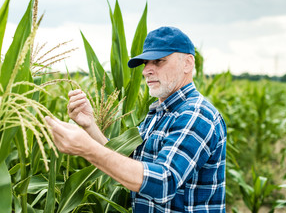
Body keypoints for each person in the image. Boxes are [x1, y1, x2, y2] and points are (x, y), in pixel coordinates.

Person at [46, 26, 227, 212]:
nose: (146, 71)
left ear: (187, 63)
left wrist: (88, 149)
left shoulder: (196, 114)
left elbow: (163, 182)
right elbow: (129, 164)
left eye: (158, 61)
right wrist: (90, 125)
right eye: (145, 63)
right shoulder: (159, 112)